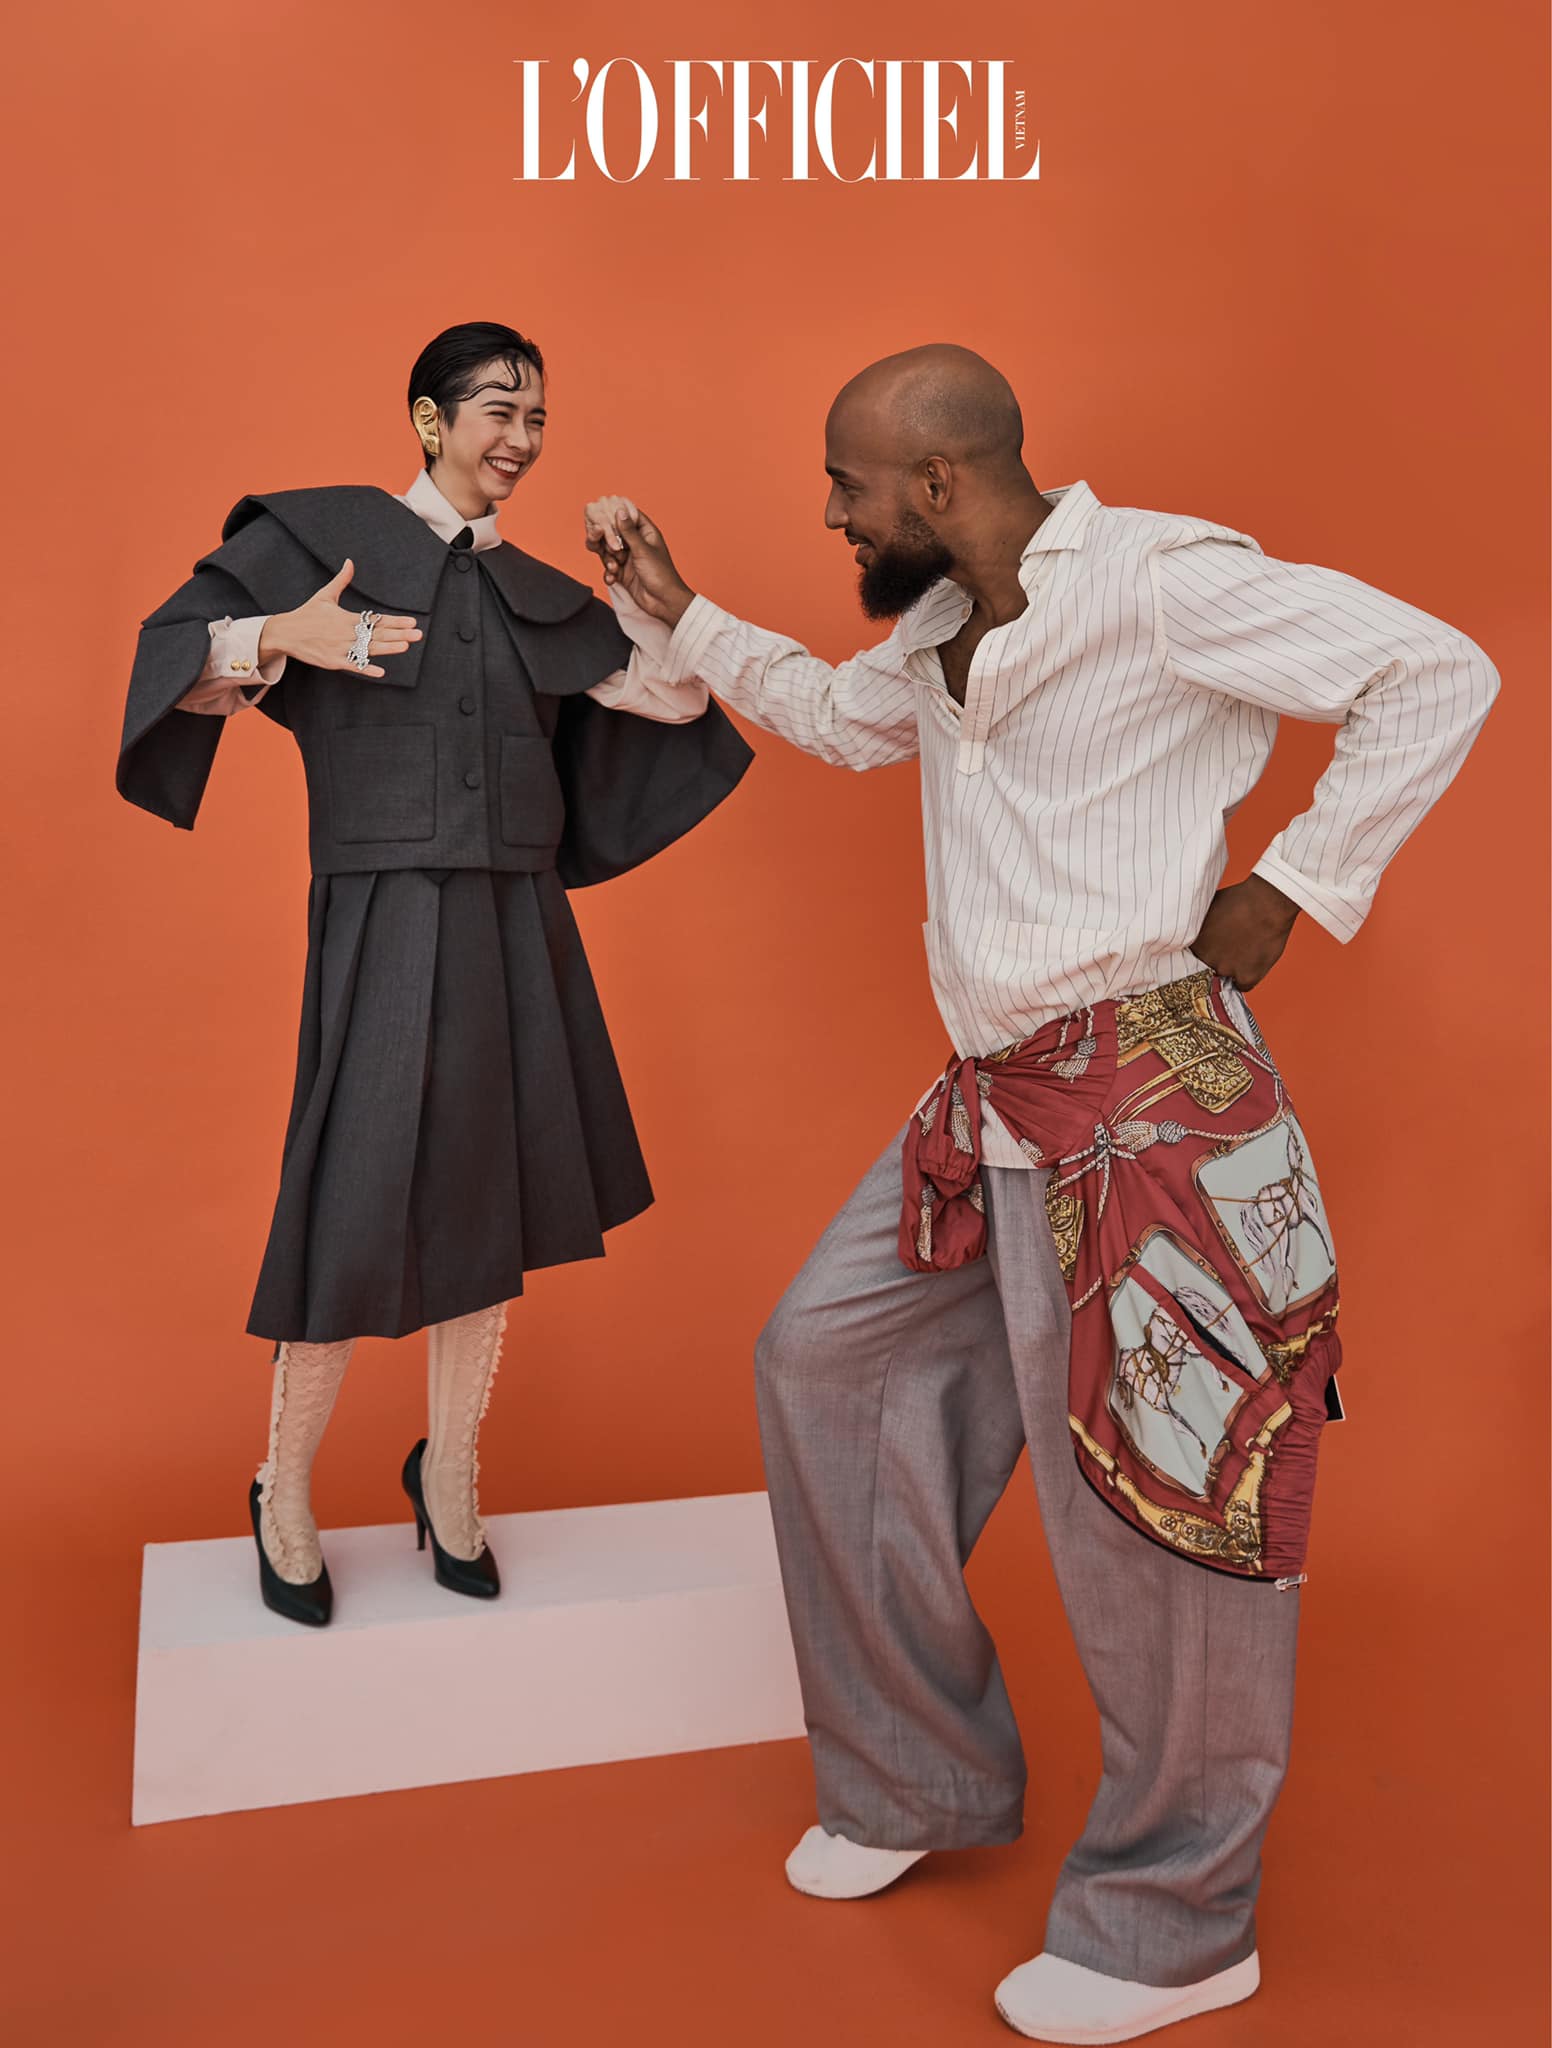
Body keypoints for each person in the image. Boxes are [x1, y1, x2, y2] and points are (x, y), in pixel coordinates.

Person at [581, 342, 1498, 2044]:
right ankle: (914, 1778)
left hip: (1151, 1105)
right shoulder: (942, 625)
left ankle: (1175, 1925)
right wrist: (681, 608)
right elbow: (840, 720)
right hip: (997, 1097)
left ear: (938, 482)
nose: (834, 512)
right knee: (827, 1364)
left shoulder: (1160, 581)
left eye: (850, 486)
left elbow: (1438, 669)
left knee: (1156, 1503)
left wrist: (1297, 885)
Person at [118, 321, 749, 1627]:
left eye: (538, 417)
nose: (520, 439)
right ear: (429, 419)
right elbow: (175, 665)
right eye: (497, 411)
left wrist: (645, 589)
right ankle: (283, 1485)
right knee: (348, 1199)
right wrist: (276, 636)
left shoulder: (540, 593)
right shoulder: (327, 542)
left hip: (515, 920)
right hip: (384, 913)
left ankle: (448, 1470)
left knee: (489, 1198)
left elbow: (680, 702)